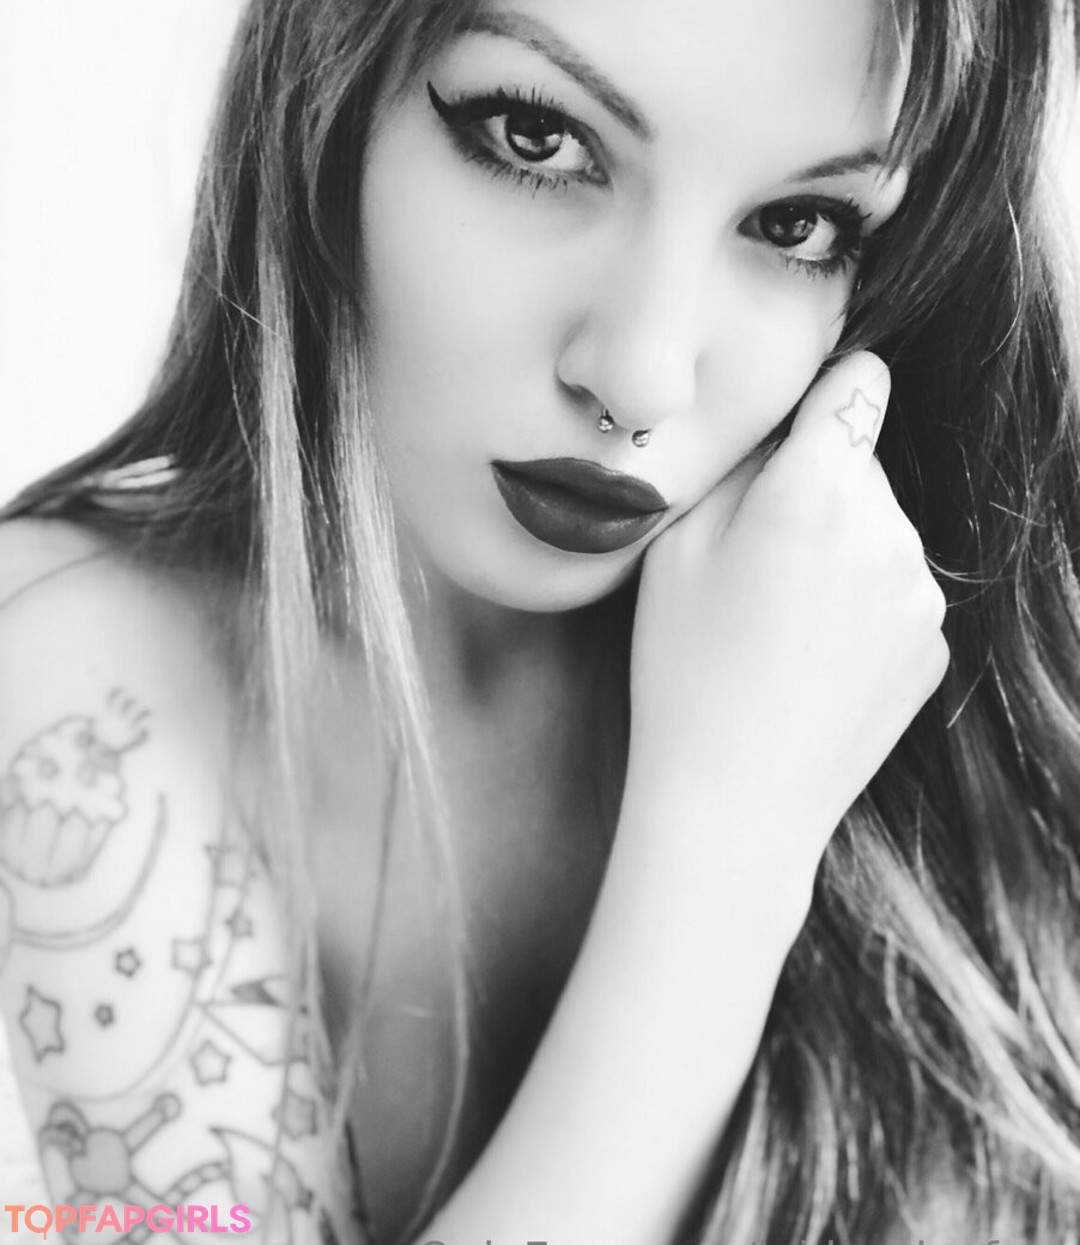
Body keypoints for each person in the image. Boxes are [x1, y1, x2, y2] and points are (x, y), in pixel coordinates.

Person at [1, 0, 1079, 1241]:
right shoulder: (75, 672)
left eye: (797, 225)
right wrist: (729, 842)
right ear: (320, 106)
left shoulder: (941, 691)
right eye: (535, 138)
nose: (641, 376)